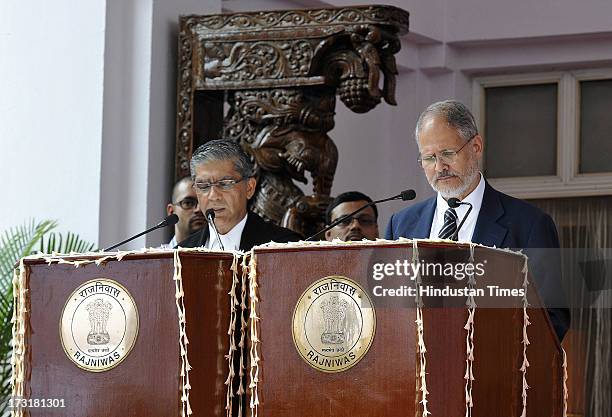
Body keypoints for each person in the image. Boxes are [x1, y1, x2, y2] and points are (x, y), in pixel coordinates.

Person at [385, 99, 570, 340]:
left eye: (448, 153)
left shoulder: (529, 224)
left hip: (493, 371)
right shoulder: (401, 225)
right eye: (428, 158)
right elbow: (386, 310)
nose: (440, 166)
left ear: (476, 146)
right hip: (415, 372)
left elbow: (552, 319)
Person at [178, 139, 302, 250]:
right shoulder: (180, 254)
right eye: (204, 186)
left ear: (249, 188)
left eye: (225, 183)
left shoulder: (284, 247)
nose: (213, 196)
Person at [162, 177, 206, 248]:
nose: (199, 209)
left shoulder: (222, 255)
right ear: (171, 211)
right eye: (188, 203)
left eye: (204, 203)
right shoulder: (158, 257)